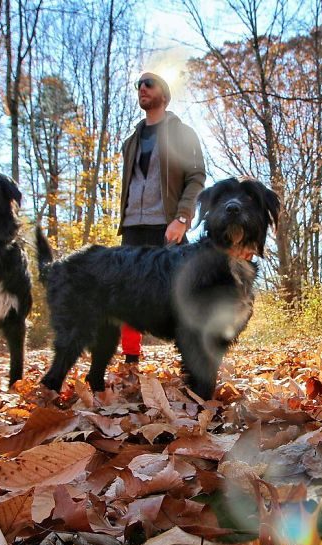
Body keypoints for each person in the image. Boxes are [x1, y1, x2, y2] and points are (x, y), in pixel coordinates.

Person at [118, 71, 206, 363]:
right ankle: (131, 358)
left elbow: (196, 177)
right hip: (132, 226)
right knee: (129, 293)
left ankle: (191, 354)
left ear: (164, 95)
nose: (141, 88)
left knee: (181, 291)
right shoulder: (131, 141)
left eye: (148, 83)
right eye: (138, 85)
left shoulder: (182, 133)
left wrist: (182, 217)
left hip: (167, 225)